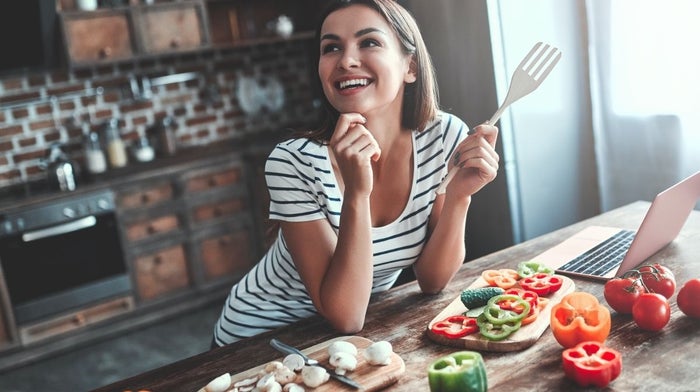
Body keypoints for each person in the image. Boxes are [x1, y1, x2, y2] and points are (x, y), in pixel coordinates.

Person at [212, 0, 499, 346]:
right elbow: (346, 315)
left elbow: (432, 280)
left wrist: (459, 196)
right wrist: (357, 194)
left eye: (369, 42)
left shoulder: (443, 137)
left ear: (410, 66)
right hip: (258, 338)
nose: (346, 60)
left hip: (353, 332)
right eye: (331, 47)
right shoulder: (292, 163)